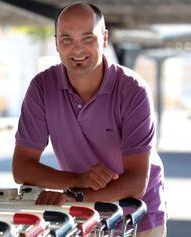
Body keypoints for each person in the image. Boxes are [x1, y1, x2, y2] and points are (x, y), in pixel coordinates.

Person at [12, 2, 166, 236]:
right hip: (82, 215)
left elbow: (135, 183)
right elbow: (22, 168)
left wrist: (76, 194)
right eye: (66, 39)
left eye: (87, 38)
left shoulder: (133, 90)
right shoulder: (42, 88)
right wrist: (79, 181)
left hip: (137, 217)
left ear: (104, 39)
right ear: (56, 43)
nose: (77, 49)